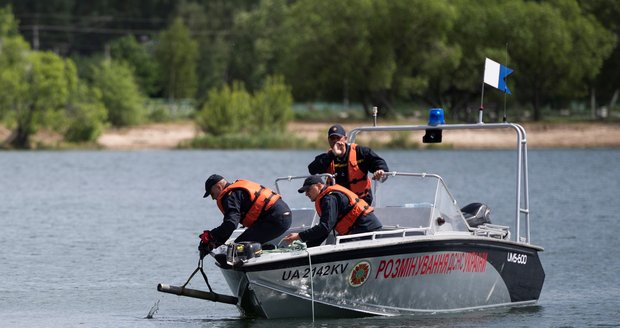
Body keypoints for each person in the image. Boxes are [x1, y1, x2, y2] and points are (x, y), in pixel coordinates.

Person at [198, 174, 292, 258]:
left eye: (212, 194)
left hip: (276, 219)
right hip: (280, 217)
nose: (213, 198)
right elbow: (229, 227)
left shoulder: (230, 197)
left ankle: (262, 262)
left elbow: (230, 224)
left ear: (218, 187)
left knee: (238, 248)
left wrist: (211, 235)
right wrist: (213, 243)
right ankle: (267, 249)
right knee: (240, 245)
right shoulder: (235, 192)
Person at [282, 175, 382, 247]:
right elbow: (325, 230)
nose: (306, 194)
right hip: (361, 230)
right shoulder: (327, 197)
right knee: (339, 244)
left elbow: (325, 227)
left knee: (341, 247)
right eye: (305, 191)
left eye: (308, 190)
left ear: (319, 185)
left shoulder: (329, 198)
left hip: (367, 230)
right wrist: (307, 247)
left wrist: (299, 236)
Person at [308, 124, 389, 205]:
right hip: (339, 203)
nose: (335, 141)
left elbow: (378, 162)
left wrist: (380, 170)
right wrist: (333, 154)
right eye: (332, 138)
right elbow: (312, 169)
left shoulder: (360, 152)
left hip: (360, 201)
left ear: (345, 139)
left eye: (338, 138)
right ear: (328, 140)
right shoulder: (327, 157)